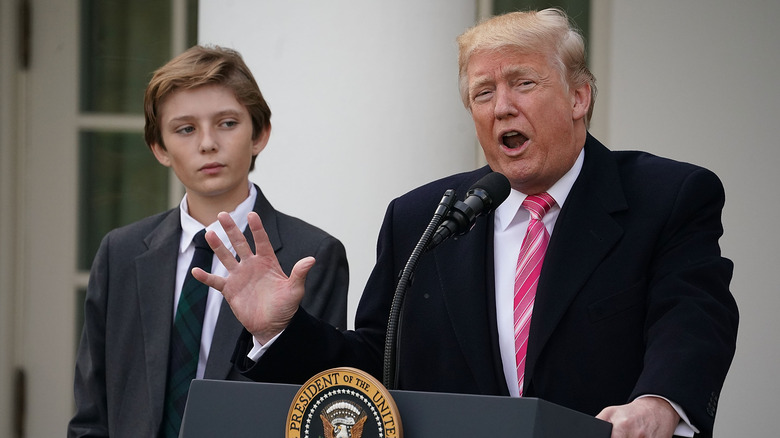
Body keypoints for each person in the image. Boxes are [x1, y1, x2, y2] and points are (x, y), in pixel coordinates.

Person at [196, 9, 738, 438]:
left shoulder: (666, 197)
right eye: (483, 92)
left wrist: (659, 402)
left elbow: (693, 318)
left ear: (579, 97)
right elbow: (376, 368)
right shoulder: (421, 218)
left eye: (523, 83)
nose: (502, 107)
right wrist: (279, 331)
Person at [68, 45, 349, 438]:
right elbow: (91, 411)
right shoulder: (121, 252)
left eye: (227, 123)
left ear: (260, 134)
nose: (207, 144)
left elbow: (316, 404)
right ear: (159, 148)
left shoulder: (312, 253)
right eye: (185, 129)